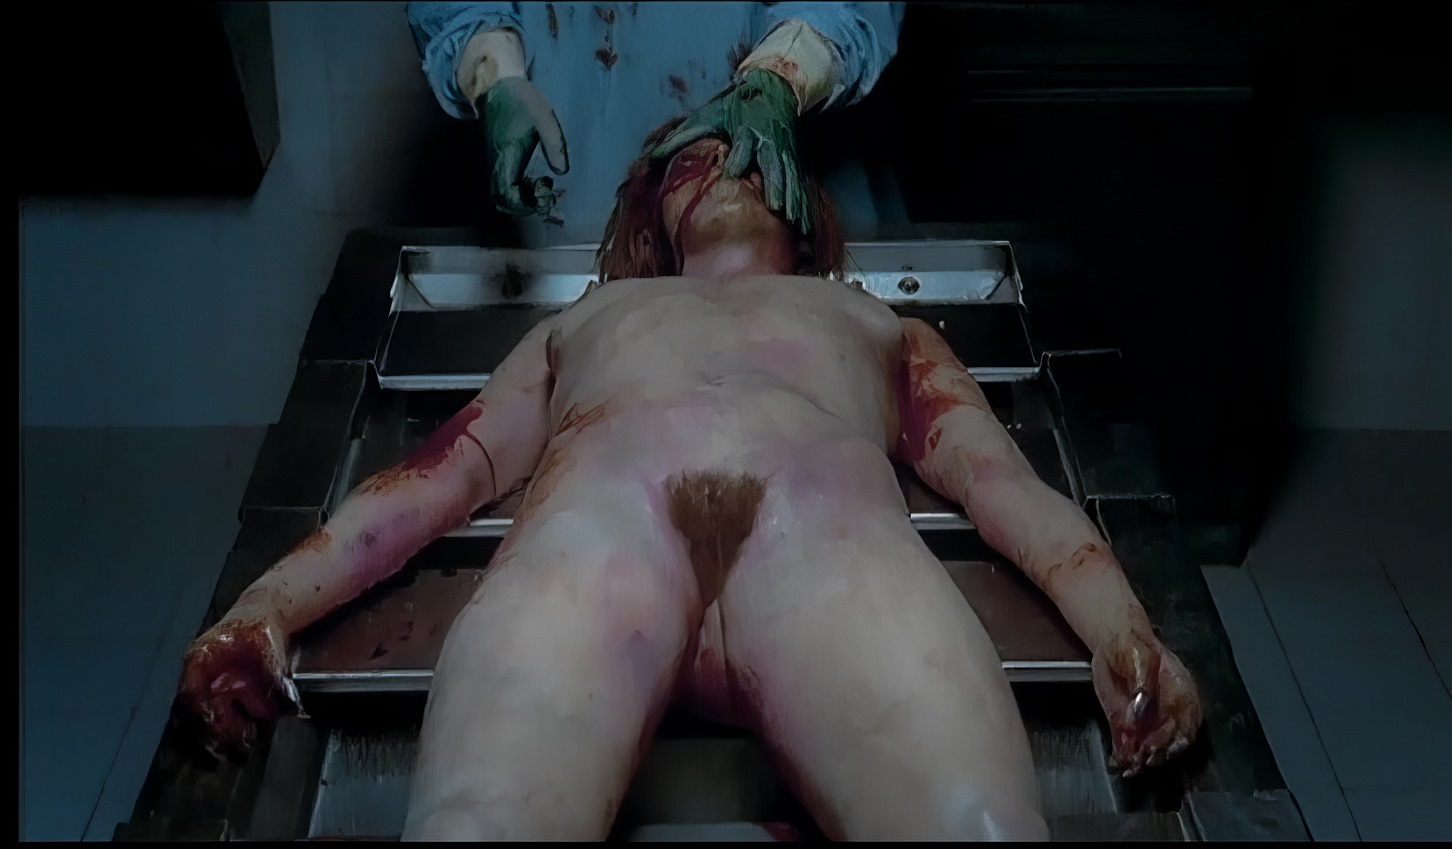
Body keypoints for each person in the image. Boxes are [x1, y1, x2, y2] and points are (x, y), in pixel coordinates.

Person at [177, 111, 1203, 839]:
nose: (719, 165)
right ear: (651, 223)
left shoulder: (875, 324)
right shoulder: (590, 320)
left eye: (747, 155)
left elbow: (1004, 487)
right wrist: (268, 606)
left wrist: (1124, 630)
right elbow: (436, 478)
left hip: (831, 554)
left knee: (979, 829)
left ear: (800, 200)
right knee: (477, 828)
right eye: (688, 163)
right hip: (597, 541)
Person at [405, 1, 905, 243]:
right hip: (564, 223)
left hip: (775, 220)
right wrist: (492, 71)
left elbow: (846, 9)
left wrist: (784, 72)